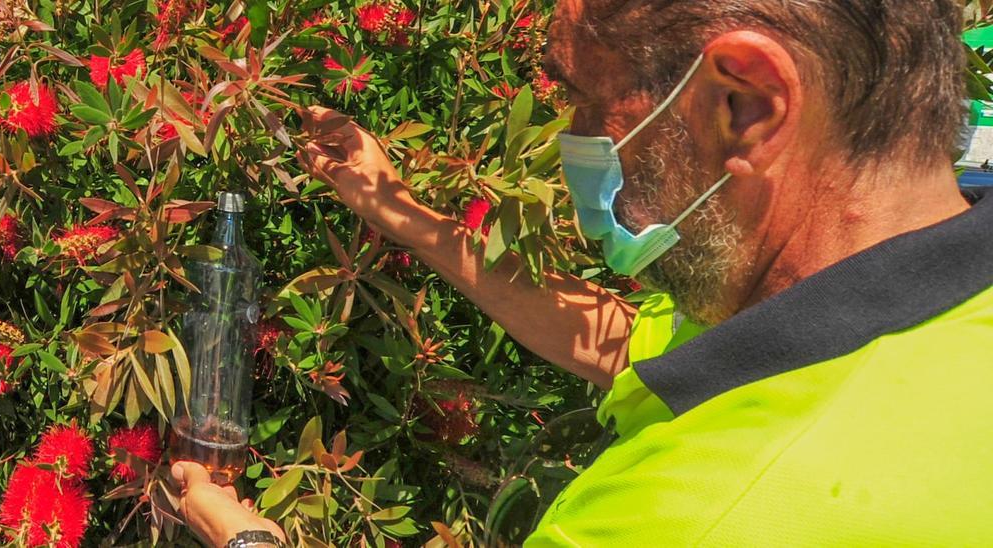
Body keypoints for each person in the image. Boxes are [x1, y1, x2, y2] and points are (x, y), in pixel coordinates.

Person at [175, 0, 993, 545]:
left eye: (585, 97)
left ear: (745, 103)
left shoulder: (684, 517)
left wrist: (250, 541)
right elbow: (619, 342)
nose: (570, 133)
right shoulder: (913, 313)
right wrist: (391, 205)